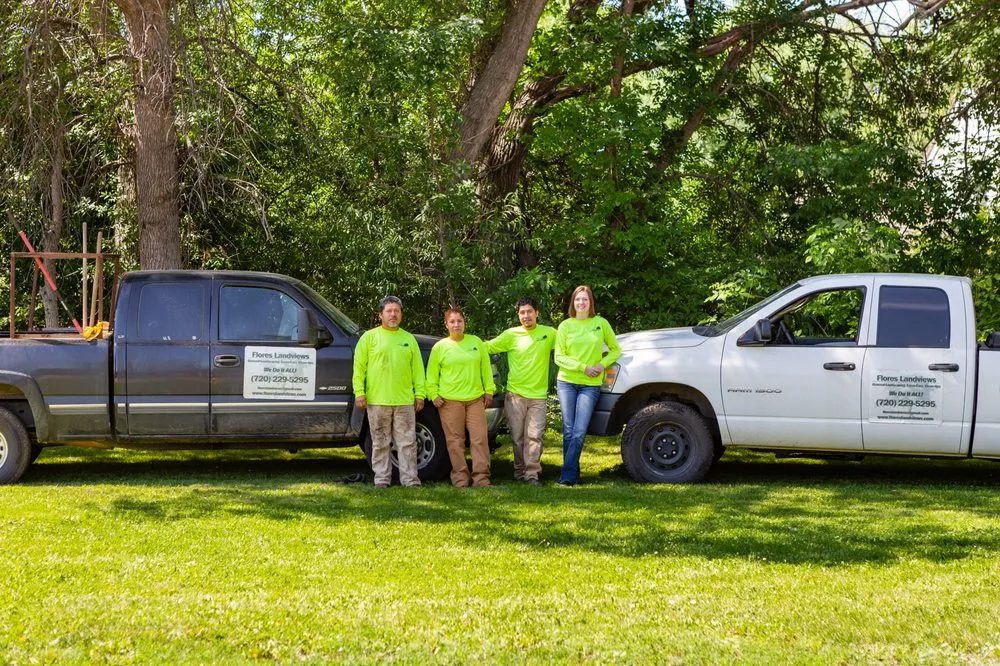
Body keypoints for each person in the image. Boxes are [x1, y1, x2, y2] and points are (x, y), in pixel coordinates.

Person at [352, 296, 426, 488]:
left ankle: (410, 481)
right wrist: (359, 392)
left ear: (401, 314)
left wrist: (420, 394)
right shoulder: (369, 338)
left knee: (408, 443)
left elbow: (418, 370)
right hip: (377, 401)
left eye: (397, 311)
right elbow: (359, 368)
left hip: (404, 401)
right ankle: (382, 480)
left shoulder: (409, 339)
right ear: (380, 315)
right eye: (389, 311)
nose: (393, 314)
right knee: (380, 443)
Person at [554, 285, 621, 486]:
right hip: (566, 382)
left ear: (590, 302)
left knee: (579, 430)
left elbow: (616, 350)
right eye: (577, 300)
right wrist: (583, 367)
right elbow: (559, 357)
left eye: (585, 299)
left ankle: (568, 473)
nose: (581, 303)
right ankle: (570, 475)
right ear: (572, 303)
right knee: (568, 429)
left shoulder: (601, 323)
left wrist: (602, 365)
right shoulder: (565, 326)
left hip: (590, 385)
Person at [487, 297, 556, 485]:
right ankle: (519, 472)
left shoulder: (549, 334)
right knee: (517, 438)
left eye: (529, 312)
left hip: (538, 397)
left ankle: (532, 474)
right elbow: (486, 347)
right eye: (522, 313)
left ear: (537, 313)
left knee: (534, 436)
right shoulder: (510, 335)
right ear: (518, 315)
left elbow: (568, 346)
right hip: (515, 395)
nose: (526, 316)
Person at [426, 307, 496, 487]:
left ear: (464, 322)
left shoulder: (476, 342)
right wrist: (433, 394)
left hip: (475, 400)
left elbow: (486, 369)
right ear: (446, 324)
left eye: (459, 321)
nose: (456, 325)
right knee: (455, 441)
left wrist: (489, 390)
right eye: (452, 321)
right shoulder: (440, 347)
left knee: (479, 439)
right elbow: (431, 375)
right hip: (450, 401)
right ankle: (460, 478)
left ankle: (481, 478)